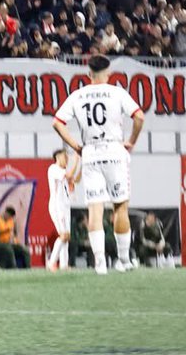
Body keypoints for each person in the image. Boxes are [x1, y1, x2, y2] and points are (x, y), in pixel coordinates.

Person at [52, 54, 145, 275]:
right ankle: (123, 261)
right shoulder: (116, 92)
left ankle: (100, 264)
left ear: (89, 74)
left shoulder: (78, 95)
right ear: (108, 73)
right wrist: (131, 141)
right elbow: (139, 116)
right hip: (114, 150)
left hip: (90, 153)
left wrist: (76, 146)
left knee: (95, 208)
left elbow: (57, 122)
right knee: (120, 206)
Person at [46, 145, 78, 272]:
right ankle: (51, 262)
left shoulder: (63, 172)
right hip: (57, 206)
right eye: (66, 157)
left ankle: (64, 265)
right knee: (63, 235)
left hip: (65, 206)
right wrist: (76, 160)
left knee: (67, 237)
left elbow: (75, 178)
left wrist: (81, 165)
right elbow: (70, 175)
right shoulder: (53, 169)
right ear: (58, 157)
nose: (67, 160)